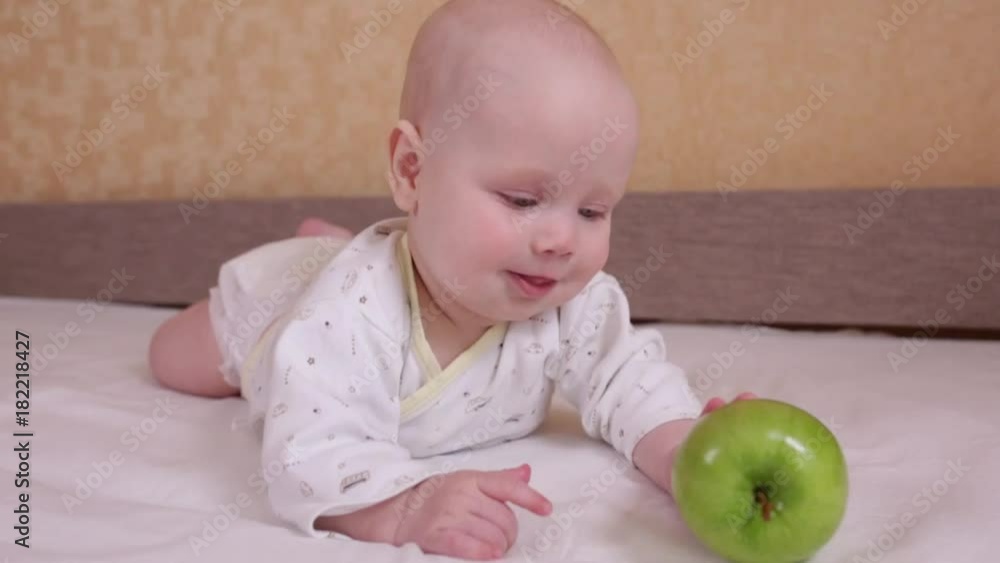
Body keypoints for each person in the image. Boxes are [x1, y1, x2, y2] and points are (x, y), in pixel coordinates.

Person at [149, 0, 754, 559]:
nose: (561, 240)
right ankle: (319, 253)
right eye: (522, 199)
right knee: (171, 360)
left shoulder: (572, 300)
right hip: (275, 309)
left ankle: (333, 241)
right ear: (412, 170)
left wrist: (687, 454)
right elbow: (308, 454)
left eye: (593, 212)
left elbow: (630, 382)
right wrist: (405, 507)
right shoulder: (345, 317)